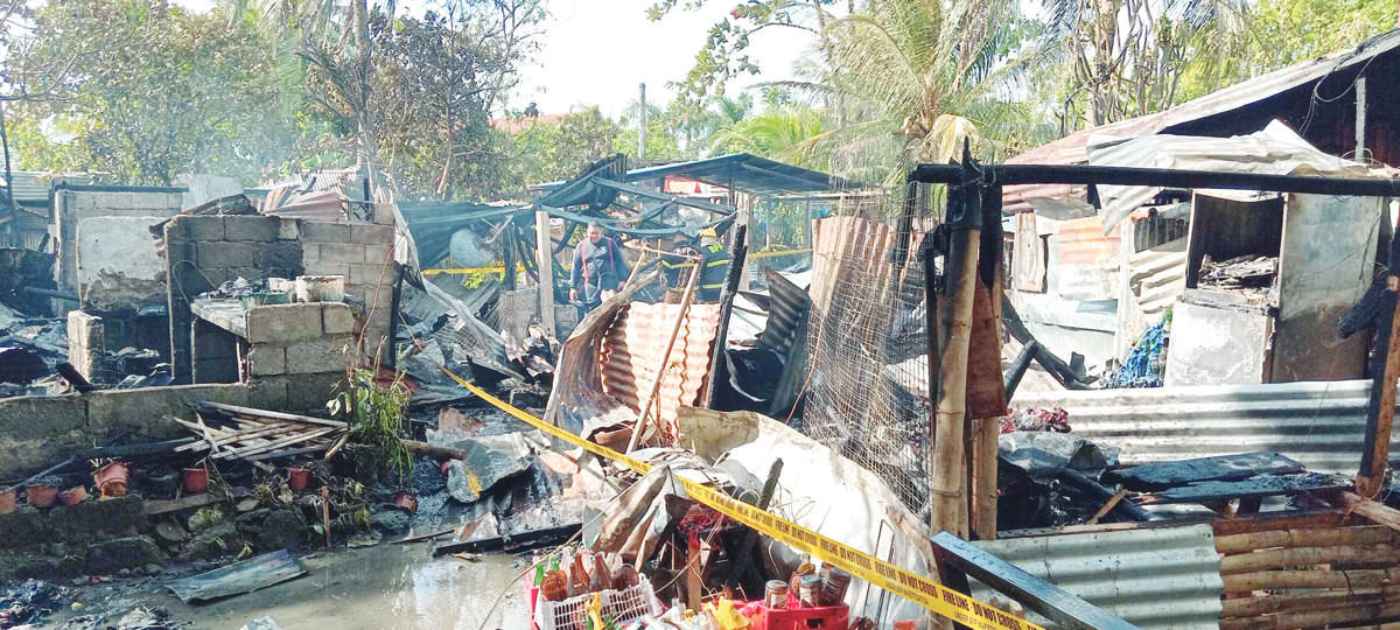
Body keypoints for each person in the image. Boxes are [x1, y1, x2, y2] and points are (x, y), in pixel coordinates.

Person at [569, 222, 629, 318]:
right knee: (591, 314)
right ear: (587, 233)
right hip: (591, 284)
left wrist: (622, 280)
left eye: (596, 233)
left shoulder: (610, 243)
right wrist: (573, 287)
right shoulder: (581, 246)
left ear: (601, 233)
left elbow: (619, 262)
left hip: (608, 282)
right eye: (591, 233)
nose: (594, 236)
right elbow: (575, 267)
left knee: (611, 311)